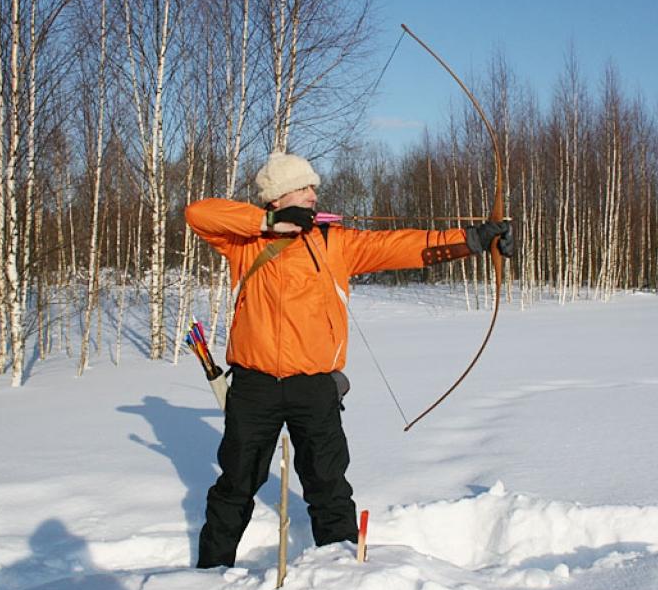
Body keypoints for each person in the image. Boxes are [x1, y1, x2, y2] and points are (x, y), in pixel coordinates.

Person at [185, 151, 512, 568]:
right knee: (236, 484)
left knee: (328, 486)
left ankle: (339, 575)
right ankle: (211, 573)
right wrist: (269, 224)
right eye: (304, 187)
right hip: (254, 387)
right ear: (279, 195)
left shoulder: (335, 242)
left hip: (315, 387)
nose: (313, 192)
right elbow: (198, 213)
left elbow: (403, 246)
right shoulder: (246, 243)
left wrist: (472, 241)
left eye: (312, 186)